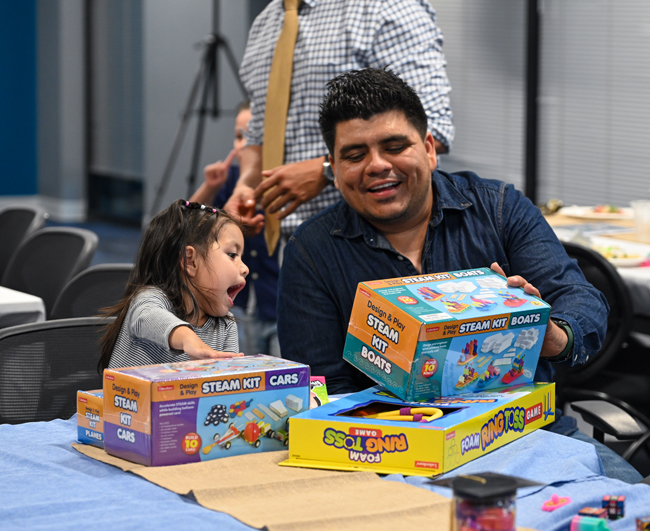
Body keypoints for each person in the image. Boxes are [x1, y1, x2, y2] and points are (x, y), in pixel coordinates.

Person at [277, 68, 643, 483]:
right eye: (355, 155)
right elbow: (323, 387)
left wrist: (551, 334)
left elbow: (581, 300)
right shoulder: (312, 250)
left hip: (528, 432)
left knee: (628, 504)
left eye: (395, 146)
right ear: (335, 167)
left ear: (430, 149)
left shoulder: (500, 209)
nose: (377, 165)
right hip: (390, 453)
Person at [226, 0, 454, 241]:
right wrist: (246, 186)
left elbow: (433, 125)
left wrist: (325, 169)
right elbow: (259, 133)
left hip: (378, 238)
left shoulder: (384, 7)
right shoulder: (264, 23)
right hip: (294, 242)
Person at [98, 200, 249, 371]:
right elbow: (148, 316)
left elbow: (228, 384)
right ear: (190, 261)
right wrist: (187, 339)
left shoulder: (226, 326)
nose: (245, 269)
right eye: (232, 255)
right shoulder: (151, 298)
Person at [190, 103, 281, 357]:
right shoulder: (231, 179)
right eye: (238, 136)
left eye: (250, 137)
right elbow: (188, 222)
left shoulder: (288, 185)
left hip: (281, 306)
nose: (241, 146)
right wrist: (209, 187)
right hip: (252, 307)